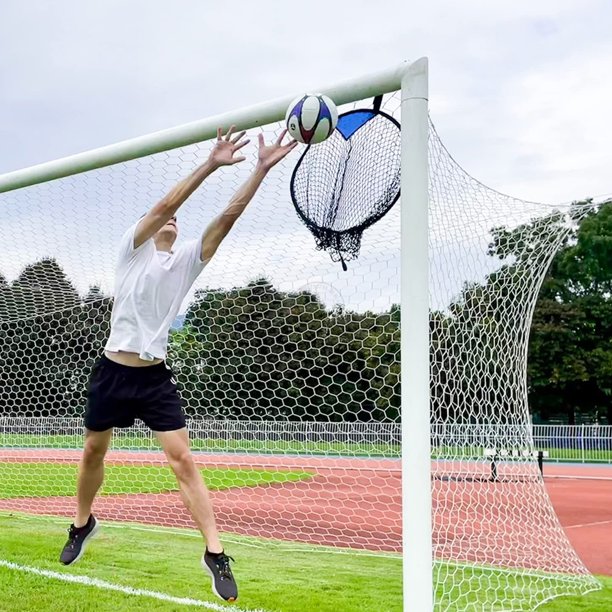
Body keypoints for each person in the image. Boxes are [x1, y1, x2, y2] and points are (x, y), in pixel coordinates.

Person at [59, 126, 298, 603]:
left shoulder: (188, 260)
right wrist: (211, 163)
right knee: (92, 452)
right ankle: (82, 523)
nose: (171, 221)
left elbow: (226, 219)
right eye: (165, 219)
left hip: (153, 376)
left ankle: (215, 553)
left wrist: (260, 170)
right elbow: (167, 206)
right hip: (112, 370)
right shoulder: (130, 253)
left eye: (176, 222)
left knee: (182, 460)